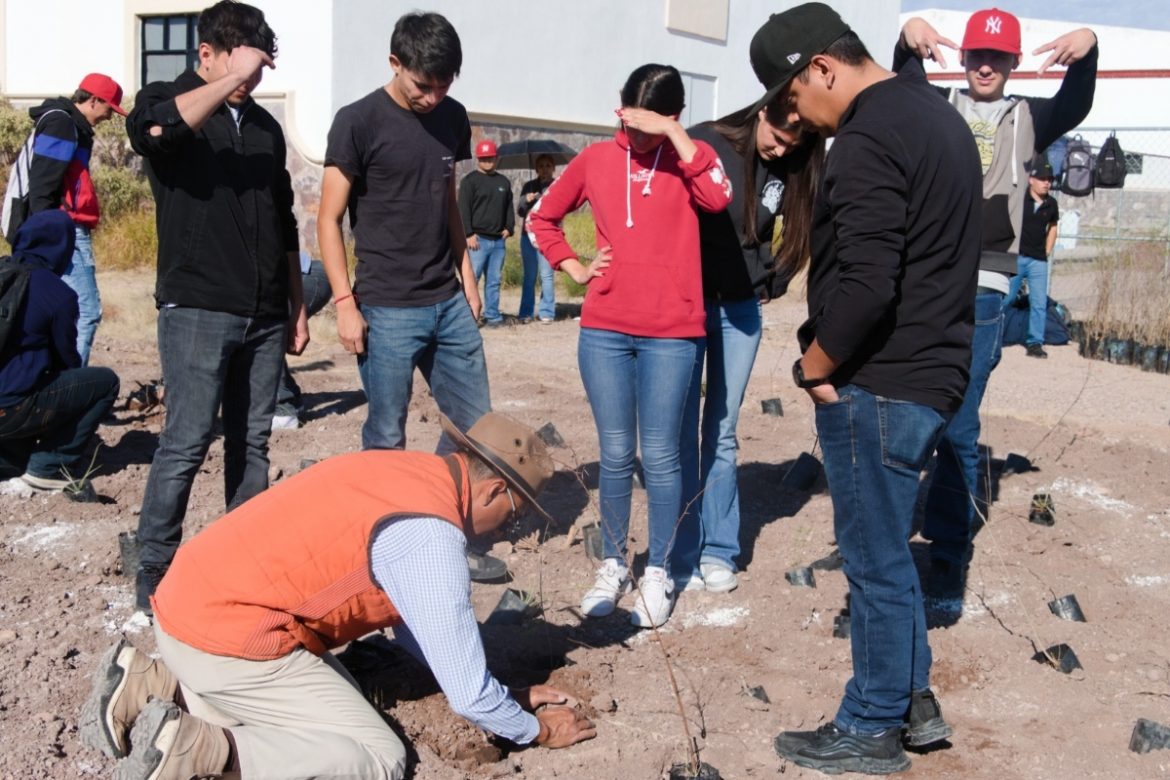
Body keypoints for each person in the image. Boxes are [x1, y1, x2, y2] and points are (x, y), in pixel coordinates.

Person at [80, 412, 596, 779]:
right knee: (376, 756)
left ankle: (152, 684)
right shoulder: (430, 535)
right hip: (226, 640)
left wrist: (497, 694)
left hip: (186, 604)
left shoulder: (404, 471)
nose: (505, 531)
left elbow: (423, 632)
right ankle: (199, 750)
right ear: (493, 491)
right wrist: (534, 730)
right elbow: (468, 697)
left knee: (316, 710)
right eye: (514, 515)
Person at [752, 4, 982, 773]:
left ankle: (871, 725)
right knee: (890, 551)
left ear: (821, 68)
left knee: (874, 563)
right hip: (934, 374)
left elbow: (869, 283)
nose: (796, 119)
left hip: (879, 382)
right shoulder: (940, 119)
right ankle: (913, 704)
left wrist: (814, 367)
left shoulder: (869, 135)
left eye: (793, 99)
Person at [896, 8, 1097, 596]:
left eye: (997, 58)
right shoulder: (936, 105)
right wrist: (906, 41)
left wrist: (1089, 47)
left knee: (960, 422)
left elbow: (1076, 103)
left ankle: (948, 548)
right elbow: (899, 84)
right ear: (963, 60)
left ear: (1012, 64)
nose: (986, 66)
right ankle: (892, 538)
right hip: (928, 278)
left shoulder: (1029, 116)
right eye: (977, 56)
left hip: (986, 282)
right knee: (907, 408)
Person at [527, 64, 732, 628]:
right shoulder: (595, 160)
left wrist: (673, 135)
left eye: (647, 126)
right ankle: (613, 564)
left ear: (673, 117)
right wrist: (573, 265)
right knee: (616, 454)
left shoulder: (690, 160)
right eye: (627, 123)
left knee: (662, 456)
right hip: (605, 330)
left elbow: (718, 198)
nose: (634, 136)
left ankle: (659, 571)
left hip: (673, 333)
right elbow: (541, 219)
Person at [126, 0, 308, 613]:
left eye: (260, 69)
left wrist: (296, 302)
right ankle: (155, 568)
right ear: (207, 54)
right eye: (242, 65)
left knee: (251, 443)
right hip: (197, 305)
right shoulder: (164, 99)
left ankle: (244, 563)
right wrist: (227, 81)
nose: (251, 80)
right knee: (187, 439)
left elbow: (285, 218)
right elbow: (155, 134)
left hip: (263, 311)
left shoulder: (265, 129)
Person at [319, 12, 507, 583]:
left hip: (447, 301)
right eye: (424, 85)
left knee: (474, 426)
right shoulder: (357, 121)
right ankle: (382, 552)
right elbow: (327, 219)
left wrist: (467, 277)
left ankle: (450, 536)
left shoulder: (451, 117)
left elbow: (446, 200)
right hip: (384, 307)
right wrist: (344, 303)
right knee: (386, 435)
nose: (434, 97)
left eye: (445, 85)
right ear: (395, 63)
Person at [673, 103, 824, 594]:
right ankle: (680, 549)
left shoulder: (792, 166)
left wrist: (772, 281)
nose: (780, 149)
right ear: (762, 114)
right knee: (679, 429)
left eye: (792, 144)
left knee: (721, 429)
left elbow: (801, 232)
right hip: (686, 305)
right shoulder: (704, 140)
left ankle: (718, 549)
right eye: (778, 137)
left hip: (740, 313)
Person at [0, 210, 119, 489]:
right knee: (105, 383)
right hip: (12, 408)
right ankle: (49, 467)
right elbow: (66, 360)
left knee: (16, 455)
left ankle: (10, 457)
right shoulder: (58, 294)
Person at [13, 73, 127, 365]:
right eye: (109, 108)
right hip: (64, 231)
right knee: (87, 310)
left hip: (61, 230)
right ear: (94, 100)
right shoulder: (63, 125)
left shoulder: (70, 126)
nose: (109, 116)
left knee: (56, 308)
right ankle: (71, 384)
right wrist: (49, 239)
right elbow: (42, 187)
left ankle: (56, 380)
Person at [271, 255, 334, 429]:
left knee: (261, 330)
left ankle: (284, 409)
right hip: (303, 277)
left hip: (308, 277)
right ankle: (292, 400)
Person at [1006, 155, 1060, 358]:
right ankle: (994, 334)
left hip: (1038, 261)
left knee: (1038, 303)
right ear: (1031, 180)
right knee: (1007, 298)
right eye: (1042, 178)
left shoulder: (1051, 204)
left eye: (1049, 179)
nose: (1047, 183)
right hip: (1017, 258)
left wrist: (1047, 250)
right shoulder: (1020, 200)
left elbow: (1053, 226)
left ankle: (1035, 343)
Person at [459, 139, 514, 326]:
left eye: (490, 158)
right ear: (478, 159)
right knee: (471, 279)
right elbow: (463, 209)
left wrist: (509, 227)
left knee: (494, 280)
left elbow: (509, 207)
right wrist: (468, 234)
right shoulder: (469, 181)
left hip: (498, 241)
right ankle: (467, 317)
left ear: (496, 158)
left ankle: (493, 316)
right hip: (477, 240)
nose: (487, 161)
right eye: (484, 158)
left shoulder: (503, 182)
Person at [517, 154, 558, 323]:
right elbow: (520, 211)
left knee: (546, 275)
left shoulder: (558, 185)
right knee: (530, 276)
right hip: (528, 236)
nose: (544, 169)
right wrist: (525, 201)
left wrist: (545, 199)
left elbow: (562, 208)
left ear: (553, 168)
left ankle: (547, 312)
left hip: (547, 236)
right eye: (541, 166)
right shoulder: (529, 186)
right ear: (536, 169)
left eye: (548, 165)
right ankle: (526, 312)